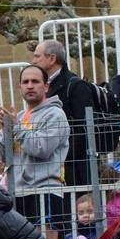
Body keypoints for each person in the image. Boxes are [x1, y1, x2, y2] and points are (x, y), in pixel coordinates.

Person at [0, 63, 71, 239]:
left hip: (45, 190)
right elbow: (3, 157)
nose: (29, 85)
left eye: (35, 81)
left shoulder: (55, 114)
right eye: (25, 81)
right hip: (18, 192)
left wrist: (16, 128)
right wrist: (6, 130)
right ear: (19, 86)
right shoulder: (18, 117)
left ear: (46, 86)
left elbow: (41, 149)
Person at [33, 39, 97, 190]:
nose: (33, 61)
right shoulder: (44, 86)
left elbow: (85, 128)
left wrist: (62, 154)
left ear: (52, 59)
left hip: (77, 166)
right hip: (56, 165)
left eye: (37, 56)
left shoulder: (76, 86)